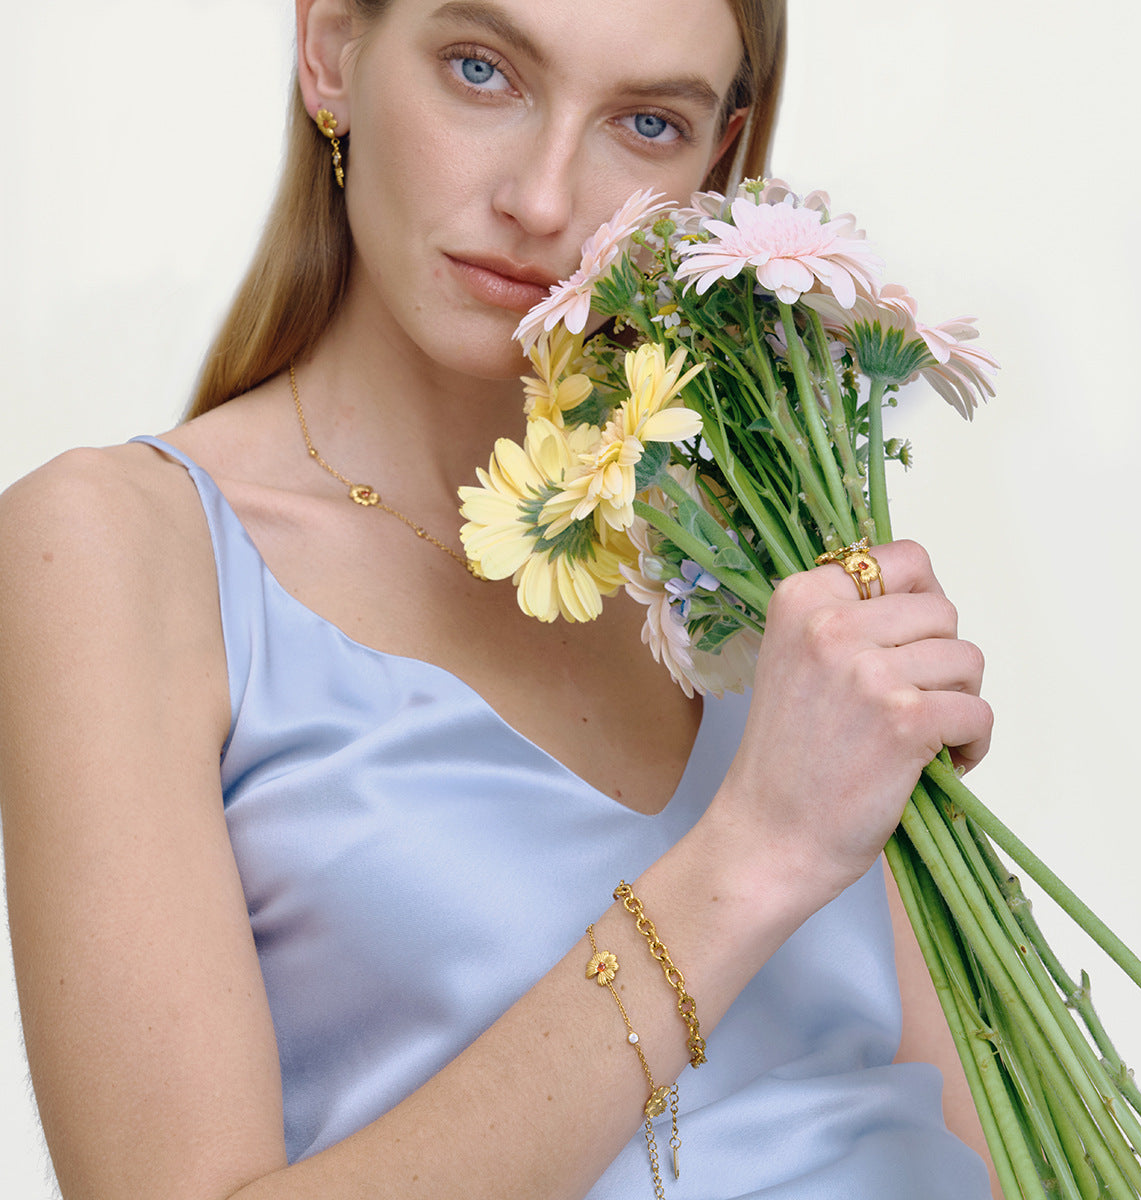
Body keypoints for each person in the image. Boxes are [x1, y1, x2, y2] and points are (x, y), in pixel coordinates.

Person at [0, 1, 998, 1196]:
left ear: (718, 164)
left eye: (645, 122)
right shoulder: (117, 548)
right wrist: (758, 852)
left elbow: (986, 1129)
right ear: (330, 50)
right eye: (483, 70)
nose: (543, 197)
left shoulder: (759, 544)